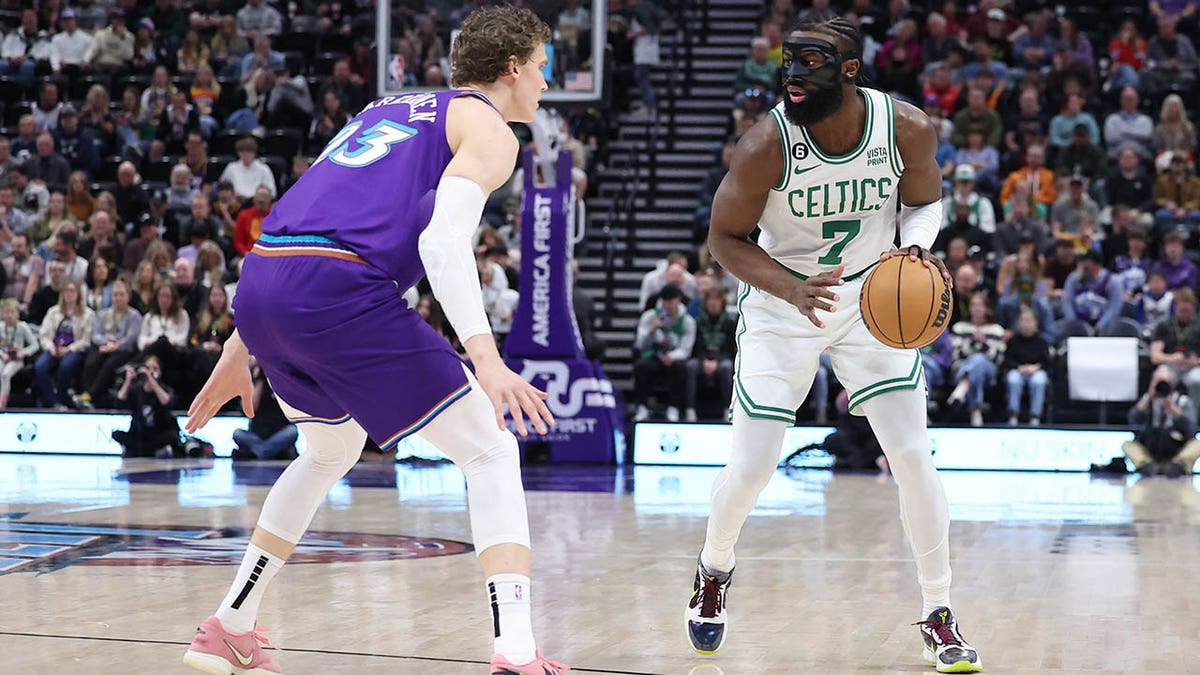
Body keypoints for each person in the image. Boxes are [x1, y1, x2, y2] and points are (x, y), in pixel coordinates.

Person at [180, 7, 566, 675]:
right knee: (491, 450)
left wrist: (238, 346)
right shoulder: (488, 127)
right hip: (338, 287)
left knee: (330, 447)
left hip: (266, 281)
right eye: (541, 68)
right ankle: (516, 651)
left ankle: (229, 624)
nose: (544, 83)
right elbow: (441, 244)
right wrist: (490, 361)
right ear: (512, 68)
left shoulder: (386, 108)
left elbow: (299, 221)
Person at [684, 18, 981, 672]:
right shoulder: (766, 144)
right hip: (782, 304)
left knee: (911, 456)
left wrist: (915, 249)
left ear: (850, 73)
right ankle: (715, 567)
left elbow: (925, 202)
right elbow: (724, 241)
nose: (793, 84)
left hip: (872, 304)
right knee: (754, 466)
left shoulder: (906, 128)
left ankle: (939, 612)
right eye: (789, 70)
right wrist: (790, 288)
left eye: (809, 73)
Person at [1122, 367, 1200, 477]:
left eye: (1165, 382)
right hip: (1151, 451)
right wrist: (1149, 396)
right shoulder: (1147, 401)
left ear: (1172, 384)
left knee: (1198, 444)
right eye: (1157, 382)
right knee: (1127, 445)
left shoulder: (1183, 401)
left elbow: (1191, 428)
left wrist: (1172, 408)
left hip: (1177, 449)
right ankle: (1146, 465)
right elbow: (1133, 420)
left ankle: (1178, 466)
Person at [112, 354, 181, 458]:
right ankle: (137, 449)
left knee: (172, 436)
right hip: (139, 434)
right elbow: (120, 399)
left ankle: (155, 450)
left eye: (155, 368)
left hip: (158, 433)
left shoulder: (165, 389)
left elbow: (167, 402)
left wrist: (152, 381)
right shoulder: (136, 389)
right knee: (117, 434)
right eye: (148, 368)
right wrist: (128, 380)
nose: (151, 371)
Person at [231, 356, 299, 461]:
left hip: (279, 431)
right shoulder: (254, 382)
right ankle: (266, 451)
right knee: (237, 433)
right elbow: (251, 409)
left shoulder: (282, 381)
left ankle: (260, 452)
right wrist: (260, 379)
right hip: (257, 434)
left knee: (292, 432)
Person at [1004, 307, 1050, 426]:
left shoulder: (1042, 342)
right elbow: (1007, 360)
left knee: (1039, 381)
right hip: (1018, 370)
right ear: (1019, 323)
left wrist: (1036, 367)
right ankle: (1013, 415)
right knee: (1013, 379)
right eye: (1023, 320)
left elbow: (1048, 362)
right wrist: (1019, 367)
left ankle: (1035, 416)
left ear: (1036, 323)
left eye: (1029, 321)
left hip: (1036, 371)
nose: (1026, 324)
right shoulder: (1013, 341)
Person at [0, 298, 39, 410]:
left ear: (17, 314)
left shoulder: (23, 327)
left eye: (12, 312)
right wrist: (2, 354)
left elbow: (35, 345)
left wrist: (23, 353)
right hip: (3, 357)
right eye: (6, 312)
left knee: (5, 374)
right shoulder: (1, 327)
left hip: (17, 359)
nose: (9, 316)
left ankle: (2, 402)